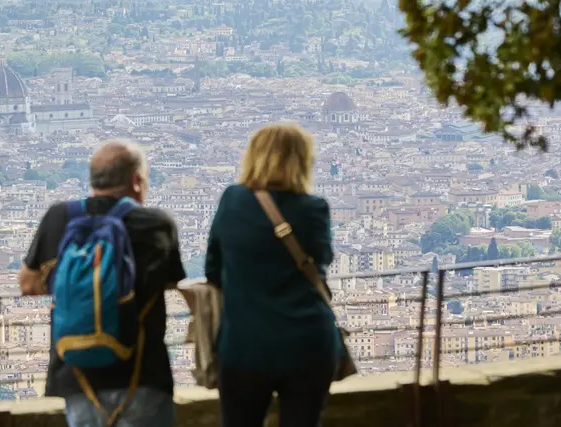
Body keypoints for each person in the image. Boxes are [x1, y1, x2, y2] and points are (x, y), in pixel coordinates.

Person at [19, 139, 187, 427]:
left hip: (77, 376)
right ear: (136, 181)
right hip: (142, 372)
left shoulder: (58, 217)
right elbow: (171, 280)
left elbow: (28, 284)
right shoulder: (155, 223)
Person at [205, 123, 341, 427]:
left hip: (245, 343)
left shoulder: (233, 200)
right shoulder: (314, 208)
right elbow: (322, 260)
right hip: (308, 342)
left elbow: (212, 270)